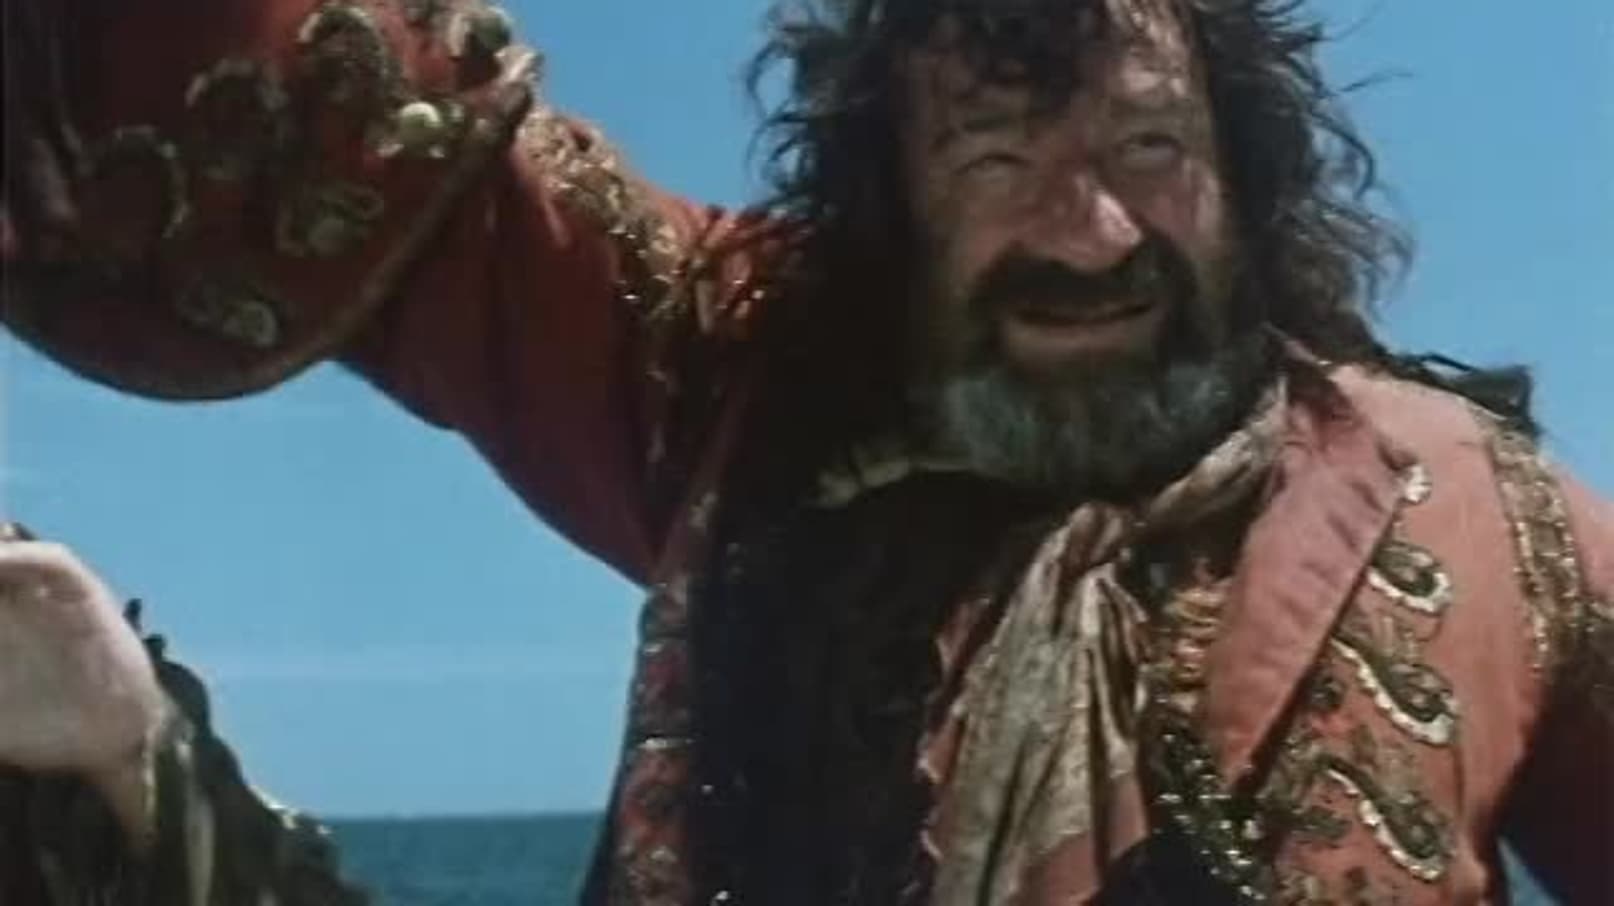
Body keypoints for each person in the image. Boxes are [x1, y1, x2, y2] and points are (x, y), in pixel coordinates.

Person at [2, 0, 1609, 903]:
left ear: (1241, 175)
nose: (1090, 230)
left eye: (1147, 147)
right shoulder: (743, 383)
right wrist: (128, 750)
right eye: (994, 160)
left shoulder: (1488, 515)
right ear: (895, 211)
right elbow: (357, 117)